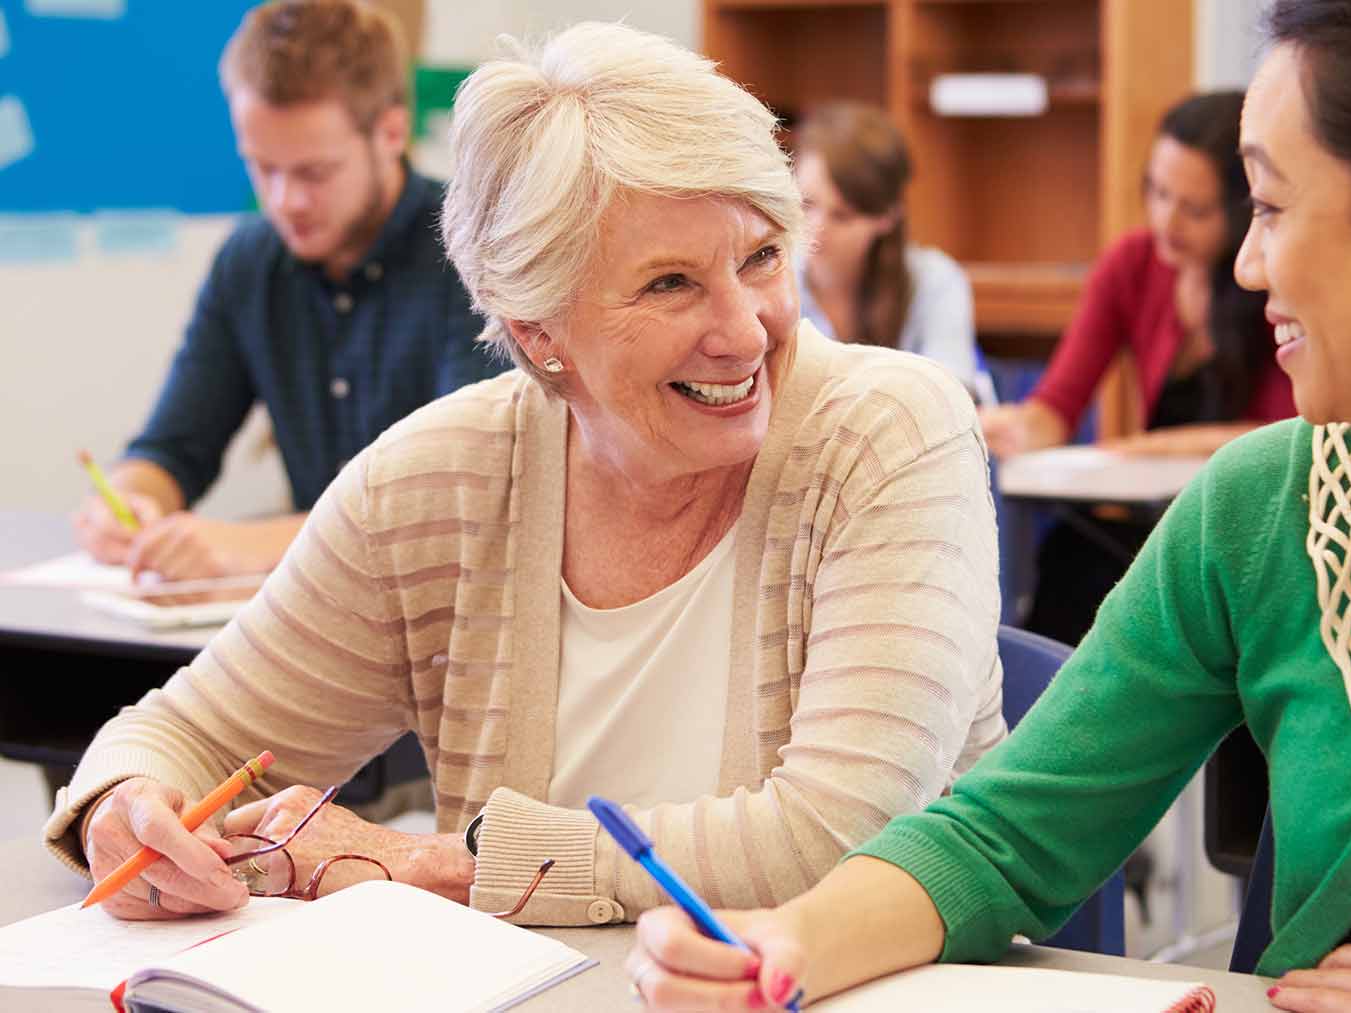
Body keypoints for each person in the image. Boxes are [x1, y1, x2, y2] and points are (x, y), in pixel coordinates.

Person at [630, 2, 1351, 1011]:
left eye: (1276, 207)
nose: (1247, 266)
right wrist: (785, 941)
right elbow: (1001, 836)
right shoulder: (1271, 501)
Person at [43, 21, 1006, 928]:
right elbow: (182, 736)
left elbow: (838, 841)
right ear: (538, 331)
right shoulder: (440, 478)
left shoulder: (892, 433)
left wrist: (426, 866)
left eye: (761, 257)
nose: (746, 330)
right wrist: (123, 809)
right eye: (671, 283)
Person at [70, 0, 504, 582]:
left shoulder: (473, 253)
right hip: (321, 615)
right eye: (263, 168)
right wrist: (128, 501)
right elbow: (175, 447)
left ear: (391, 133)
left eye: (314, 173)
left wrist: (258, 543)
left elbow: (456, 496)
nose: (286, 201)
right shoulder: (250, 261)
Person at [978, 91, 1293, 462]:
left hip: (1249, 500)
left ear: (1245, 211)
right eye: (1158, 193)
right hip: (1150, 501)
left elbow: (1284, 432)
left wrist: (1144, 449)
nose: (1166, 222)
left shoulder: (1274, 279)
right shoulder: (1131, 263)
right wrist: (1015, 429)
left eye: (1195, 209)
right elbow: (1057, 407)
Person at [792, 101, 995, 404]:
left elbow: (950, 396)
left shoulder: (935, 280)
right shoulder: (767, 278)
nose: (816, 227)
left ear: (886, 217)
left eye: (843, 216)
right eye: (806, 203)